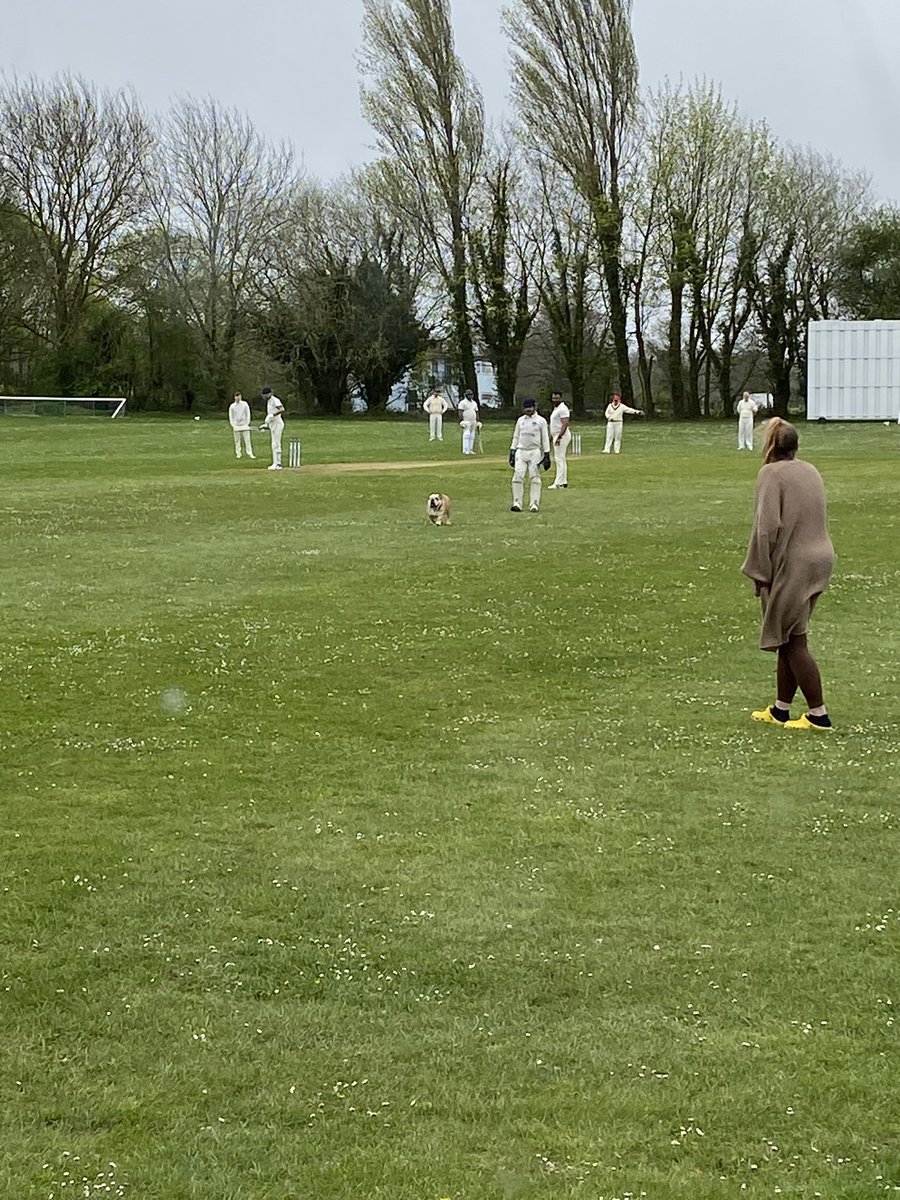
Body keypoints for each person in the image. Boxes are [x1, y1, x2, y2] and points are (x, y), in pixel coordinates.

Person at [741, 418, 836, 730]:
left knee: (795, 641)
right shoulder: (810, 470)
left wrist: (759, 571)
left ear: (770, 446)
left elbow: (766, 529)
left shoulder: (770, 474)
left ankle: (818, 714)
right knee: (789, 634)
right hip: (821, 557)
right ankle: (781, 709)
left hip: (794, 562)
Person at [509, 398, 550, 512]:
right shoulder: (520, 420)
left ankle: (534, 504)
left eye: (530, 407)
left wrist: (547, 454)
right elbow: (516, 436)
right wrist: (512, 451)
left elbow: (545, 438)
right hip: (521, 451)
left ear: (534, 407)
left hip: (535, 451)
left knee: (535, 478)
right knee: (517, 476)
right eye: (526, 408)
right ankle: (517, 502)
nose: (528, 410)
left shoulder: (541, 421)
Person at [548, 390, 571, 488]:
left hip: (562, 435)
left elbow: (565, 424)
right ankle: (563, 481)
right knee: (561, 458)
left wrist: (559, 437)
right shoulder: (556, 409)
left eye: (557, 398)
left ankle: (558, 482)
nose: (555, 400)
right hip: (556, 435)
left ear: (561, 398)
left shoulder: (563, 409)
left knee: (559, 459)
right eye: (553, 398)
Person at [259, 386, 285, 471]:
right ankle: (277, 463)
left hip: (278, 424)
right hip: (273, 424)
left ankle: (277, 464)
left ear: (269, 394)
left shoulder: (275, 400)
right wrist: (266, 425)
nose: (264, 397)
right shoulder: (268, 402)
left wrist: (273, 415)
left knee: (276, 444)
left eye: (265, 395)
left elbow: (282, 409)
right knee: (274, 444)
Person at [228, 391, 255, 460]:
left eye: (239, 397)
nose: (238, 398)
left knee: (247, 440)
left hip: (244, 425)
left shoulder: (245, 404)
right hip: (236, 426)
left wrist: (247, 423)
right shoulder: (232, 406)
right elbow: (231, 416)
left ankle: (250, 453)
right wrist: (233, 425)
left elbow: (248, 414)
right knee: (237, 441)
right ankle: (238, 453)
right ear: (234, 398)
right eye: (236, 397)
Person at [458, 388, 479, 455]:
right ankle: (465, 449)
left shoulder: (474, 403)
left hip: (473, 420)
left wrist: (478, 421)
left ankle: (470, 449)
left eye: (471, 395)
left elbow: (476, 411)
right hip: (466, 420)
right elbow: (460, 411)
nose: (471, 396)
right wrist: (461, 420)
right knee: (467, 434)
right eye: (469, 395)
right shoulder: (463, 402)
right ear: (466, 395)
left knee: (472, 435)